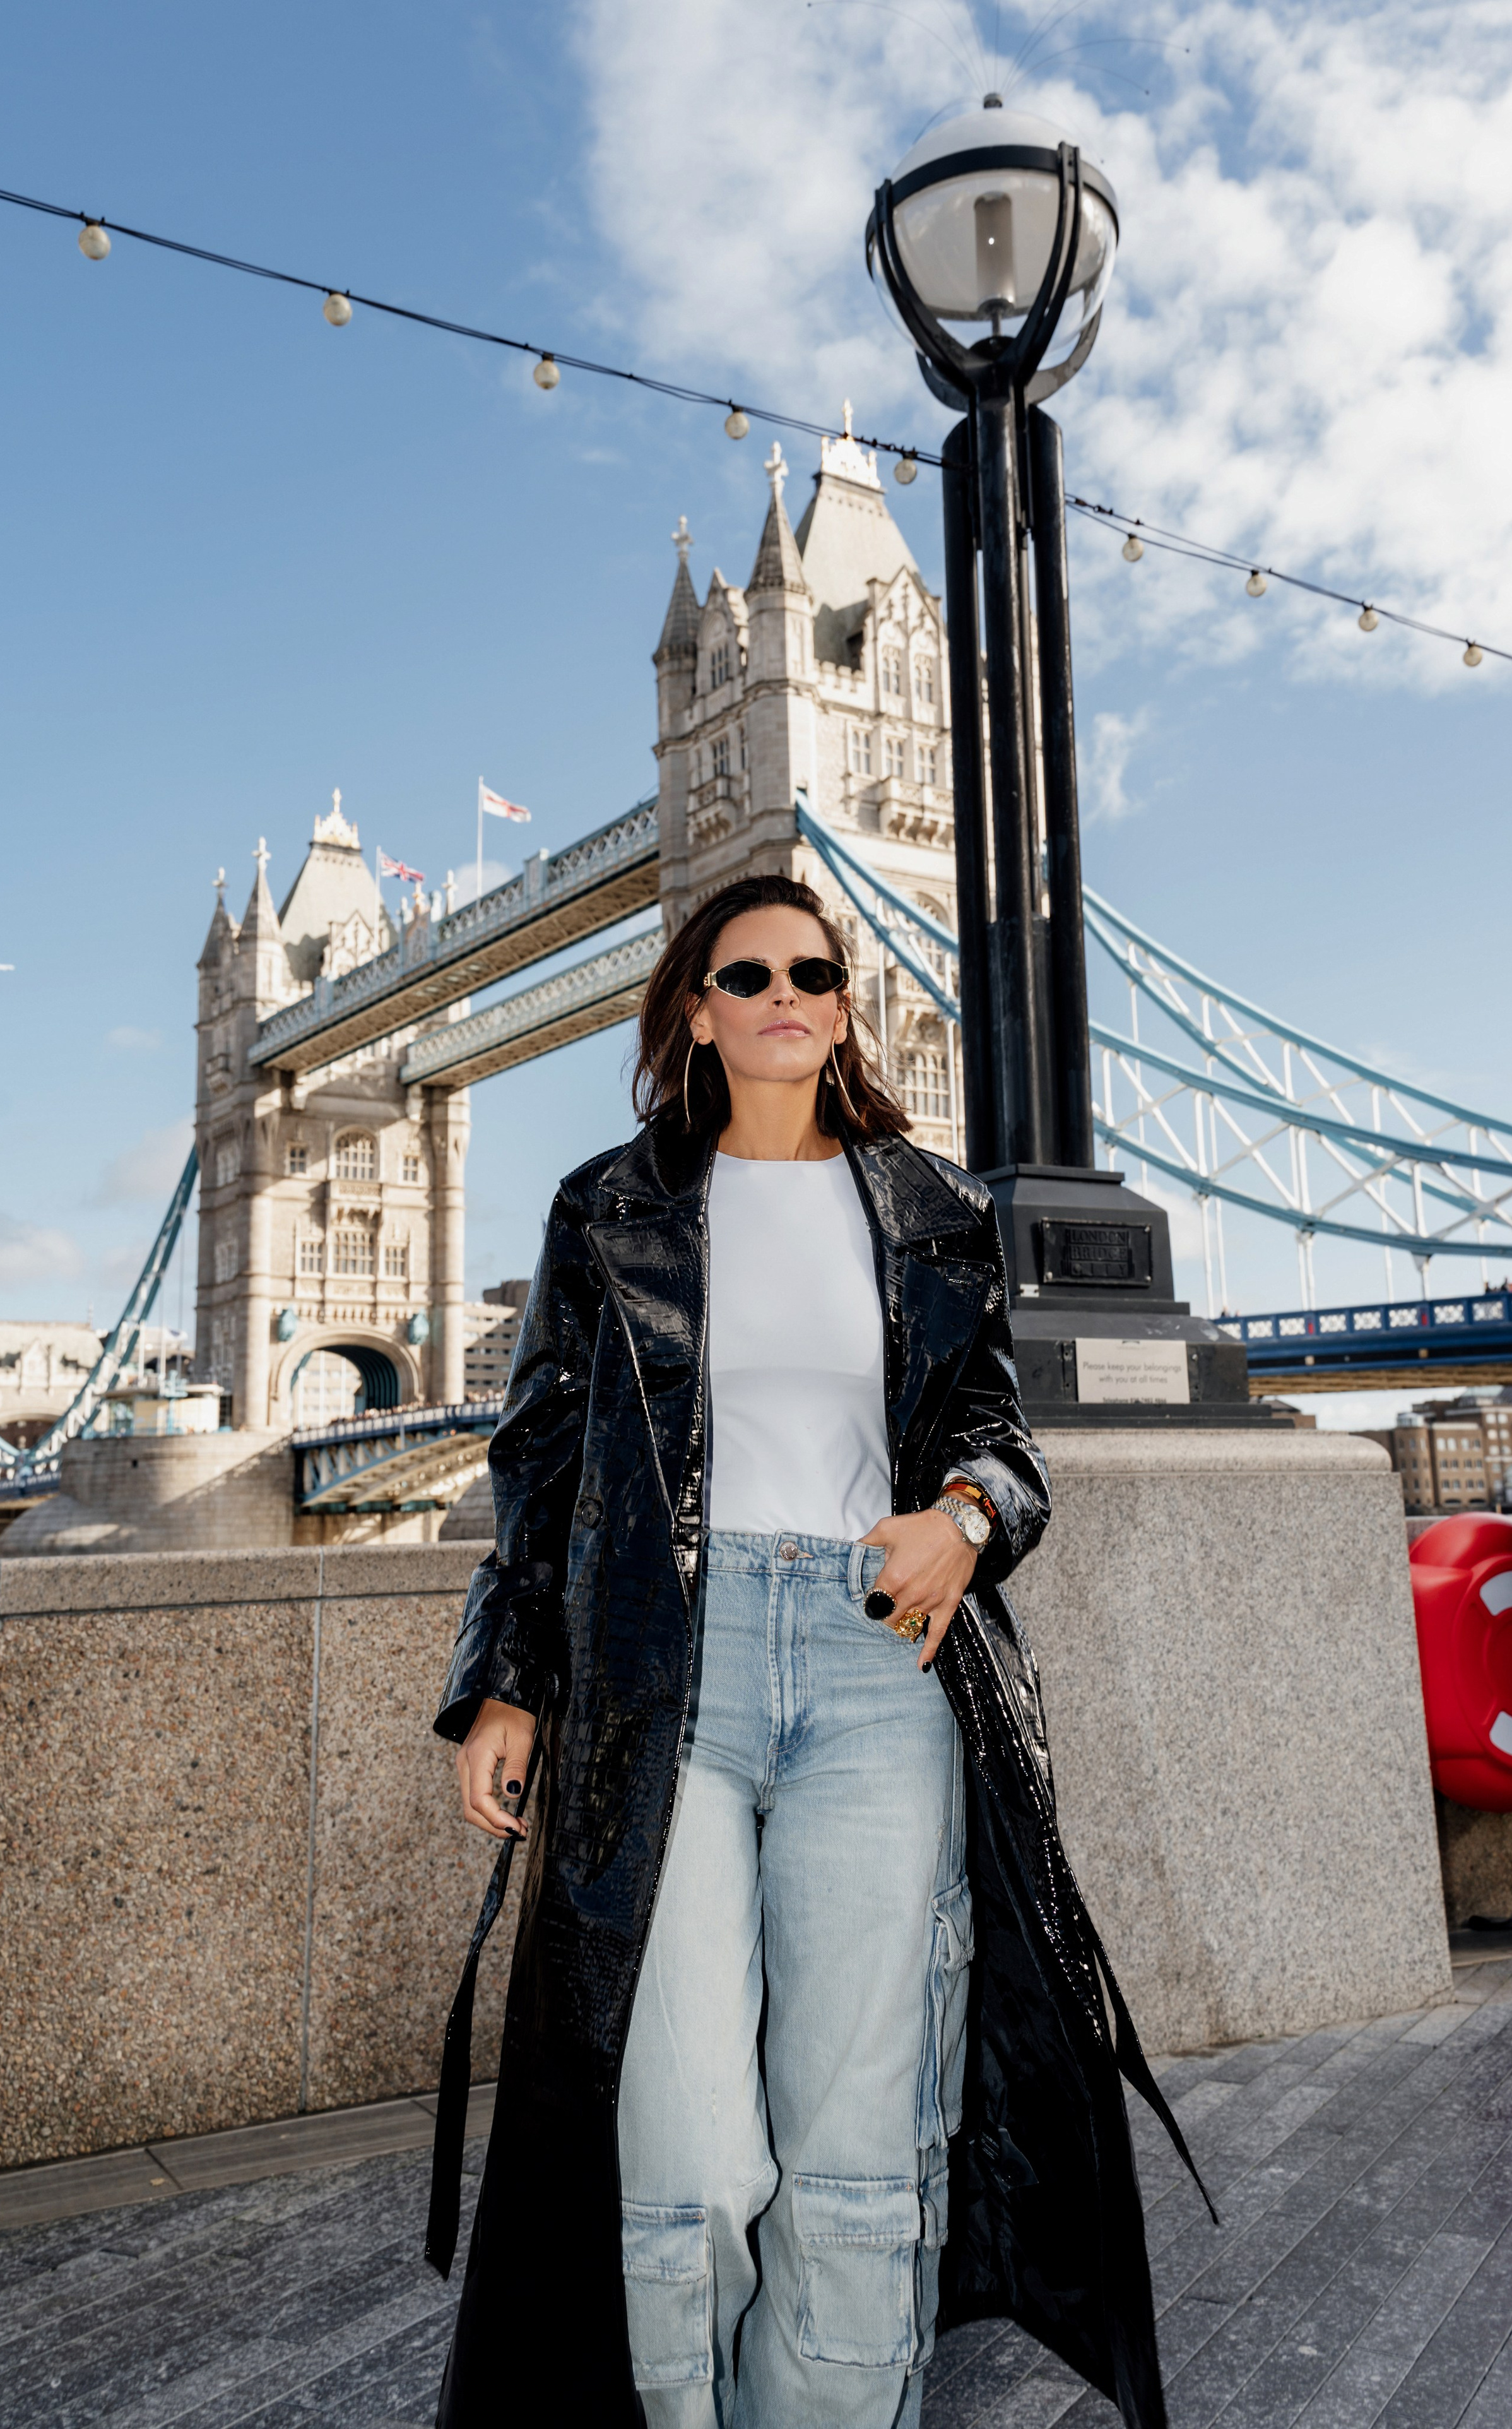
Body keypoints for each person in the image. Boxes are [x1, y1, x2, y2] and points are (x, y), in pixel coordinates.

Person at [425, 874, 1207, 2428]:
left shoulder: (933, 1207)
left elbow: (994, 1431)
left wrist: (969, 1514)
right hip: (669, 1671)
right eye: (747, 972)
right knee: (692, 2148)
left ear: (841, 1003)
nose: (785, 991)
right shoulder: (608, 1205)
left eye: (814, 970)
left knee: (859, 2159)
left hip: (875, 1667)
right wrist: (502, 1674)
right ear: (695, 1013)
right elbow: (541, 1457)